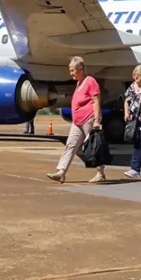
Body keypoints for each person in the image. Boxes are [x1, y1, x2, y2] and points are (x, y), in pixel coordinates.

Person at [47, 56, 106, 184]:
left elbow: (96, 101)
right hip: (78, 121)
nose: (71, 73)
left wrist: (96, 120)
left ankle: (100, 173)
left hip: (89, 119)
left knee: (93, 146)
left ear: (81, 69)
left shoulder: (90, 81)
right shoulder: (79, 83)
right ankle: (61, 172)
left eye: (73, 70)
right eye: (70, 70)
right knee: (70, 144)